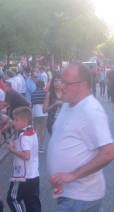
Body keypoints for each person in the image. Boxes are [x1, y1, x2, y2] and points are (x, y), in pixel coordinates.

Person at [47, 62, 114, 212]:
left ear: (82, 85)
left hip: (81, 197)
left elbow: (108, 152)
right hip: (69, 194)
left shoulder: (90, 110)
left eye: (65, 83)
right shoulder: (68, 104)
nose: (60, 86)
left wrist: (73, 175)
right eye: (59, 81)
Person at [7, 107, 41, 212]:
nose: (14, 122)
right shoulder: (33, 133)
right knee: (33, 204)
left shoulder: (23, 136)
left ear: (25, 121)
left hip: (22, 176)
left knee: (13, 199)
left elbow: (26, 155)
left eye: (16, 119)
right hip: (34, 174)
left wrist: (11, 149)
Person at [31, 80, 47, 153]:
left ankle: (34, 145)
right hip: (44, 112)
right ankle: (41, 145)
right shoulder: (46, 93)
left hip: (36, 112)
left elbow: (32, 103)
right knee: (43, 129)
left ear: (36, 85)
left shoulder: (33, 93)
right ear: (43, 85)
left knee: (36, 129)